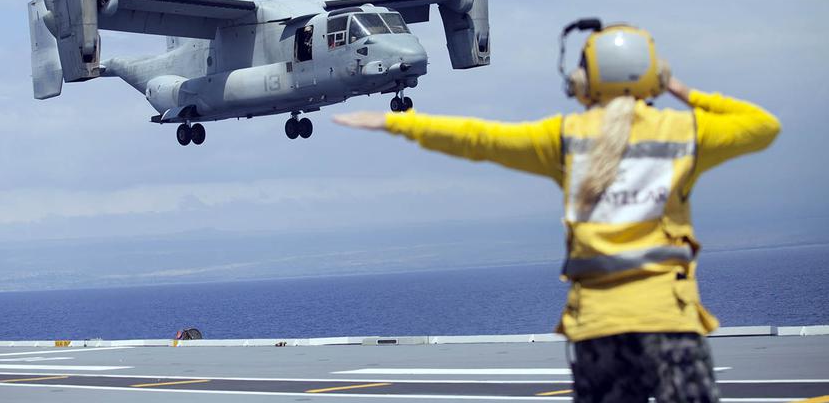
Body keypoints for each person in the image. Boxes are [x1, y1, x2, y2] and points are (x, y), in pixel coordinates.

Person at [333, 23, 781, 403]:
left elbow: (478, 138)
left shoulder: (566, 137)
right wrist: (681, 91)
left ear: (585, 82)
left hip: (597, 331)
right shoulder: (685, 132)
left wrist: (397, 122)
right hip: (672, 324)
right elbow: (763, 126)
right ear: (652, 77)